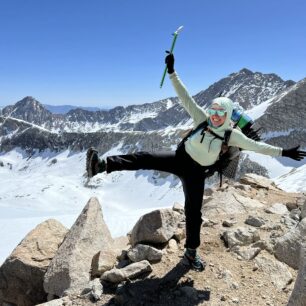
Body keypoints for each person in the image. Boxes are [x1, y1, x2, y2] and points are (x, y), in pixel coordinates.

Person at [85, 53, 306, 272]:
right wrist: (172, 72)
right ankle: (102, 166)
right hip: (180, 159)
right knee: (144, 157)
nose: (215, 115)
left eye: (221, 112)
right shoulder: (202, 119)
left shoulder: (232, 135)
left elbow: (259, 147)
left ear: (228, 115)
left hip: (196, 174)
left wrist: (284, 151)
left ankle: (191, 254)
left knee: (194, 214)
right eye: (213, 111)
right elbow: (185, 97)